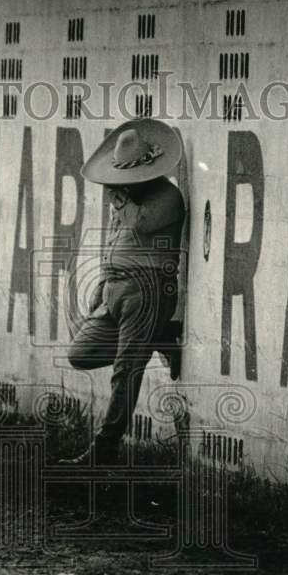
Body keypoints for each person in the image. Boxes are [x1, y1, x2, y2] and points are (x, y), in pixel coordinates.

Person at [61, 118, 186, 466]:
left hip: (147, 290)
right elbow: (115, 240)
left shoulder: (167, 195)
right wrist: (102, 283)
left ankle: (104, 450)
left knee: (125, 370)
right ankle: (159, 335)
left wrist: (119, 200)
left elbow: (139, 224)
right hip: (117, 288)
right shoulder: (126, 198)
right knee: (80, 353)